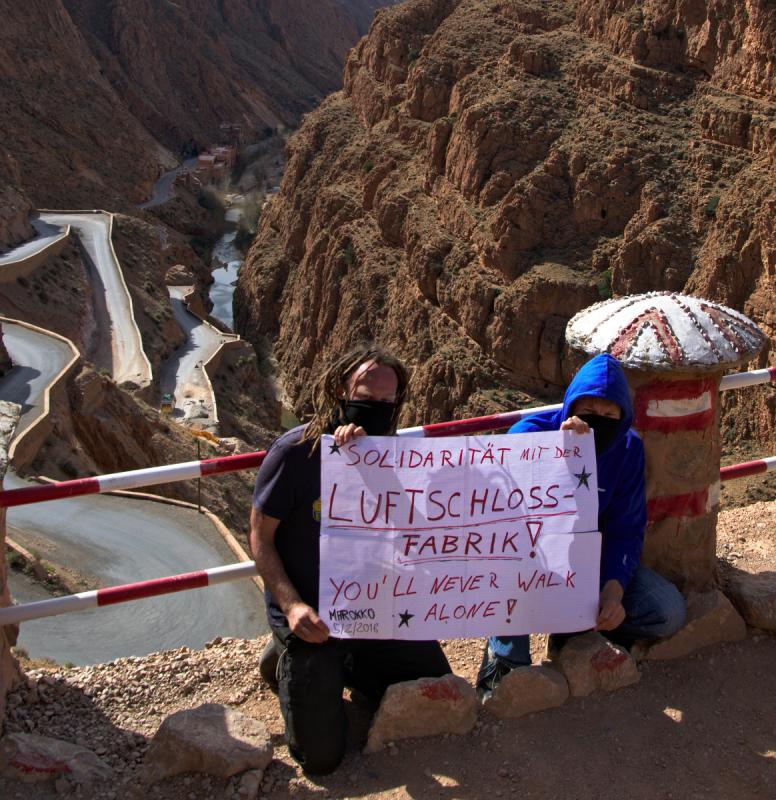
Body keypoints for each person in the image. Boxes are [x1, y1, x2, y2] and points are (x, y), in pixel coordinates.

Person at [250, 344, 451, 775]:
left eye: (387, 401)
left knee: (436, 684)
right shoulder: (294, 453)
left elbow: (407, 526)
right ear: (342, 388)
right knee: (322, 758)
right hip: (313, 616)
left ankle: (335, 666)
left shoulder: (391, 453)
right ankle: (291, 656)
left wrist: (368, 466)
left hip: (371, 609)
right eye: (366, 394)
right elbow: (260, 538)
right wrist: (292, 606)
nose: (376, 407)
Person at [477, 353, 687, 695]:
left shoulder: (629, 449)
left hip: (588, 563)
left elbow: (626, 526)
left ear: (622, 416)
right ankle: (503, 657)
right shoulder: (529, 436)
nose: (598, 421)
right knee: (506, 685)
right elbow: (499, 511)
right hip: (530, 563)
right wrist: (557, 456)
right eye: (588, 410)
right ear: (570, 406)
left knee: (667, 611)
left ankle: (574, 636)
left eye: (608, 414)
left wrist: (613, 589)